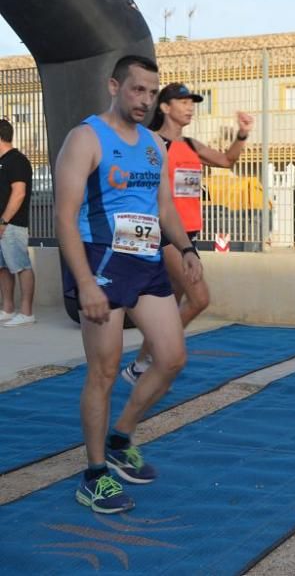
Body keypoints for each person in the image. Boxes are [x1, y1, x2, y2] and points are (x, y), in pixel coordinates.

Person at [55, 55, 203, 513]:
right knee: (102, 371)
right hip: (100, 263)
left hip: (147, 262)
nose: (145, 100)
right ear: (114, 86)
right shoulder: (85, 138)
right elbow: (63, 216)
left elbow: (164, 209)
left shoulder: (153, 146)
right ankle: (94, 475)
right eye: (137, 90)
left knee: (172, 357)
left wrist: (187, 248)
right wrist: (86, 283)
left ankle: (121, 437)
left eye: (152, 92)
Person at [120, 83, 253, 385]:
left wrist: (242, 133)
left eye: (192, 102)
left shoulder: (191, 145)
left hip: (188, 236)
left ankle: (141, 364)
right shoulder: (153, 144)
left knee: (171, 305)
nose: (190, 107)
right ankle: (162, 350)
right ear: (165, 107)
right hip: (164, 233)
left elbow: (227, 161)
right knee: (199, 298)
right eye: (182, 102)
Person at [0, 118, 35, 327]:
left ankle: (27, 312)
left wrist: (4, 220)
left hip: (12, 225)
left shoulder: (17, 160)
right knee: (2, 268)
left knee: (21, 266)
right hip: (2, 224)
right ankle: (7, 308)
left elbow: (19, 193)